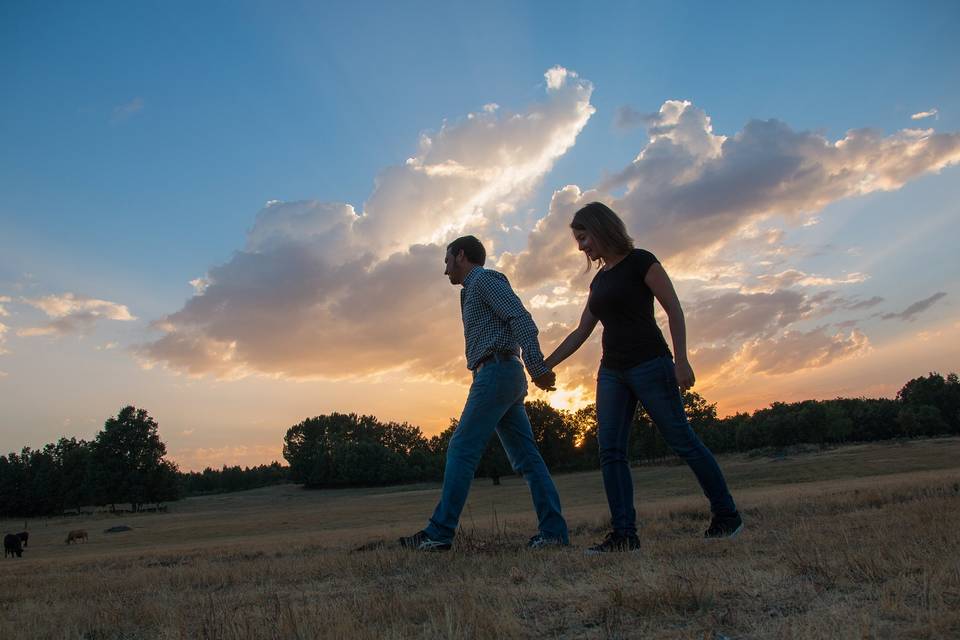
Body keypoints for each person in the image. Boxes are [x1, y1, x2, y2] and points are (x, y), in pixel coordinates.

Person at [544, 202, 742, 554]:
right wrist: (547, 364)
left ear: (601, 229)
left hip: (651, 364)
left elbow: (674, 309)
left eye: (583, 236)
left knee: (681, 440)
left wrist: (682, 361)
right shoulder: (599, 280)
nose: (581, 246)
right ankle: (624, 535)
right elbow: (581, 331)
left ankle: (727, 515)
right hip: (612, 372)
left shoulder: (641, 261)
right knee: (611, 451)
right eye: (578, 239)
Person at [399, 235, 570, 551]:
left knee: (461, 448)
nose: (445, 269)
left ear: (461, 255)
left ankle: (439, 533)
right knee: (527, 459)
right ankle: (554, 532)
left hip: (497, 371)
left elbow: (520, 317)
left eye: (447, 260)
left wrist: (536, 364)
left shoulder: (483, 279)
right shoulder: (472, 290)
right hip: (499, 374)